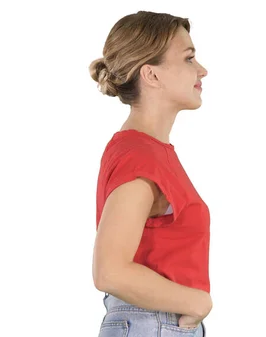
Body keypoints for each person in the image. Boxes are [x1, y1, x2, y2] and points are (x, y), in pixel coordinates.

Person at [89, 11, 211, 337]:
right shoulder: (139, 155)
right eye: (189, 58)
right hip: (153, 323)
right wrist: (196, 301)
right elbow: (110, 271)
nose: (202, 70)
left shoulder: (149, 152)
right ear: (151, 75)